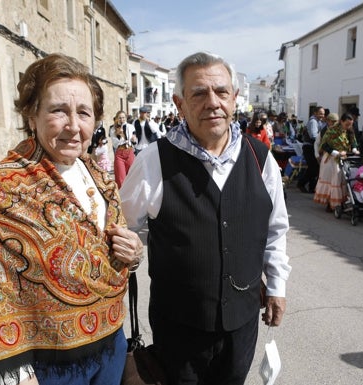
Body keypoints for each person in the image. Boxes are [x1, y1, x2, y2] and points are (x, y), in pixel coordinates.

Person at [0, 53, 144, 385]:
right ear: (32, 114)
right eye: (58, 110)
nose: (73, 126)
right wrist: (14, 375)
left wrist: (132, 253)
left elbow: (105, 253)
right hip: (45, 364)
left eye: (84, 113)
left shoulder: (100, 179)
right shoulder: (4, 189)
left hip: (110, 346)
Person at [120, 51, 291, 385]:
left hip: (242, 324)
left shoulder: (260, 159)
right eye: (199, 93)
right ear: (180, 104)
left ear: (235, 99)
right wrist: (130, 250)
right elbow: (125, 228)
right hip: (179, 328)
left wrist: (277, 286)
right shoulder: (154, 160)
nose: (213, 102)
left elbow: (275, 229)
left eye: (221, 92)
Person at [313, 113, 359, 211]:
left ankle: (339, 202)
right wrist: (336, 153)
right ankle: (330, 204)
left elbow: (353, 141)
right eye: (347, 124)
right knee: (333, 180)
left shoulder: (349, 131)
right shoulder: (331, 130)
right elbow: (323, 145)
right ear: (341, 121)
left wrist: (354, 149)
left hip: (344, 159)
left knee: (342, 180)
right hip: (331, 159)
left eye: (350, 124)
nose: (348, 126)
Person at [296, 106, 326, 193]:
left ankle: (312, 187)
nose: (322, 115)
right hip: (309, 147)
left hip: (314, 147)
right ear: (315, 113)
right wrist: (323, 141)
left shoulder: (319, 122)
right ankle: (301, 183)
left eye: (323, 114)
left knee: (315, 168)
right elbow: (314, 136)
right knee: (313, 167)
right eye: (320, 113)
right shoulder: (313, 121)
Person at [109, 110, 136, 188]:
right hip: (120, 154)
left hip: (130, 152)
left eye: (123, 117)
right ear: (117, 119)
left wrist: (134, 140)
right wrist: (121, 136)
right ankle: (122, 197)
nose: (122, 119)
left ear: (126, 118)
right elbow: (115, 144)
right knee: (121, 178)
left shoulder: (131, 127)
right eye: (120, 118)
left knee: (131, 175)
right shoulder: (113, 129)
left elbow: (134, 141)